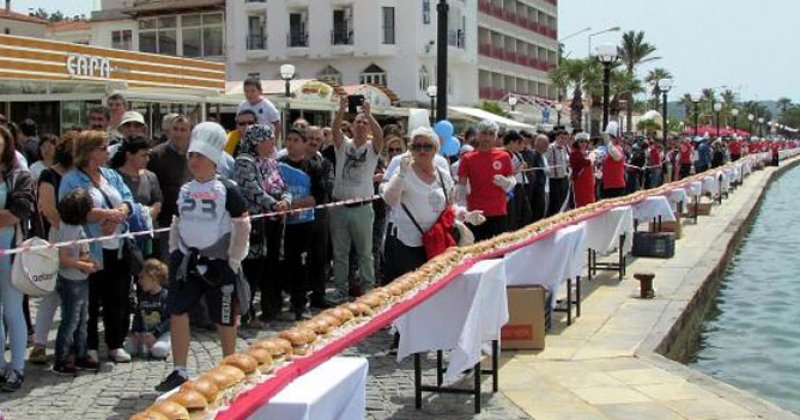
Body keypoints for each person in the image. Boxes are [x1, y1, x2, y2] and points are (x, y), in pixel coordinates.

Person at [156, 122, 250, 392]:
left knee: (224, 316)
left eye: (200, 156)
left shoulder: (227, 189)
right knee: (177, 311)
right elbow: (176, 221)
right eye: (192, 156)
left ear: (213, 159)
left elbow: (242, 226)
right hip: (186, 261)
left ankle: (229, 365)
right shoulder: (185, 190)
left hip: (219, 262)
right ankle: (180, 370)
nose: (194, 161)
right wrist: (176, 252)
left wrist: (233, 260)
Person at [59, 130, 135, 364]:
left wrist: (117, 217)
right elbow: (72, 209)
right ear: (89, 151)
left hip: (118, 245)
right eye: (102, 147)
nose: (107, 151)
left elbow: (128, 200)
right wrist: (103, 214)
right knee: (90, 301)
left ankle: (115, 343)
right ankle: (88, 345)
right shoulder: (71, 179)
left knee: (118, 297)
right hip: (90, 248)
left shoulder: (111, 175)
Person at [382, 127, 484, 280]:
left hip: (435, 243)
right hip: (405, 243)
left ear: (436, 149)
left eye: (427, 146)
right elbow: (389, 199)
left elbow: (450, 208)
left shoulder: (443, 175)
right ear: (411, 149)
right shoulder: (403, 171)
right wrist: (401, 174)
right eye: (417, 146)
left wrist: (467, 215)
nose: (422, 150)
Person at [327, 97, 384, 304]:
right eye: (358, 121)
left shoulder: (372, 148)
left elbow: (380, 136)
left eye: (364, 123)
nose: (361, 125)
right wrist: (341, 110)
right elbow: (334, 131)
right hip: (340, 206)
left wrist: (369, 114)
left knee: (365, 253)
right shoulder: (344, 145)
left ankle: (368, 289)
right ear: (351, 126)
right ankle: (340, 289)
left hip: (362, 208)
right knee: (340, 253)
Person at [233, 124, 291, 325]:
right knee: (251, 268)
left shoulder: (270, 162)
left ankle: (269, 309)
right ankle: (246, 313)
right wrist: (273, 204)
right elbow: (250, 188)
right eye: (269, 139)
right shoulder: (244, 162)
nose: (273, 143)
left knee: (269, 268)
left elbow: (284, 186)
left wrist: (285, 201)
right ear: (258, 141)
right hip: (256, 224)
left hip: (273, 223)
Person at [28, 132, 76, 365]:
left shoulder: (80, 174)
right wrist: (67, 231)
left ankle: (71, 343)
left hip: (80, 239)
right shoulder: (49, 174)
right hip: (56, 237)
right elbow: (47, 208)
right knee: (52, 293)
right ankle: (39, 344)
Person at [0, 125, 36, 391]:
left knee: (13, 310)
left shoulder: (19, 175)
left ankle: (18, 368)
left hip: (10, 248)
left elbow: (18, 212)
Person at [278, 129, 326, 319]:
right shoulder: (278, 165)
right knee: (283, 264)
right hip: (282, 225)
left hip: (304, 223)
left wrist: (295, 204)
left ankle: (300, 304)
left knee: (301, 264)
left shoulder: (313, 167)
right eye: (288, 139)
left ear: (304, 143)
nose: (290, 143)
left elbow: (319, 196)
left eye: (295, 140)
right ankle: (280, 301)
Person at [50, 189, 99, 375]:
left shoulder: (75, 227)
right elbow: (63, 258)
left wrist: (89, 261)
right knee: (70, 320)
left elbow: (81, 251)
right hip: (70, 280)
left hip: (80, 278)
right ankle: (61, 359)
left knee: (83, 319)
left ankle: (81, 353)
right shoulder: (68, 229)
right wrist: (83, 265)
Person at [457, 120, 515, 242]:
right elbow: (461, 185)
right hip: (475, 213)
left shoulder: (503, 156)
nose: (487, 137)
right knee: (475, 250)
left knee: (498, 250)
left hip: (498, 211)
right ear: (478, 135)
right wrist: (462, 207)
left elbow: (512, 178)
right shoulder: (468, 158)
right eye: (484, 133)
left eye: (491, 134)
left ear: (495, 136)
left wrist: (508, 183)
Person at [148, 115, 192, 262]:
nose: (178, 133)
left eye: (183, 130)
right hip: (166, 221)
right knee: (168, 263)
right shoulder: (156, 154)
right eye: (175, 129)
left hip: (191, 218)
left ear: (190, 132)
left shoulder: (195, 154)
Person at [111, 135, 163, 257]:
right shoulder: (115, 177)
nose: (147, 159)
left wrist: (145, 217)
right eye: (143, 155)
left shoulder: (151, 177)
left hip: (148, 237)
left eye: (148, 155)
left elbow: (157, 202)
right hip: (124, 238)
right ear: (129, 155)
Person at [305, 126, 334, 306]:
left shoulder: (326, 163)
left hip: (320, 216)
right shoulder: (293, 161)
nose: (314, 141)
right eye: (311, 138)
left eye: (318, 138)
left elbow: (328, 187)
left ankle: (318, 294)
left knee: (320, 257)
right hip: (299, 218)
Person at [124, 259, 170, 360]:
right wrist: (135, 331)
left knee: (159, 351)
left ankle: (156, 346)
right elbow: (138, 315)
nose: (139, 281)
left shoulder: (165, 296)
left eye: (142, 278)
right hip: (144, 334)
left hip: (160, 334)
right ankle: (145, 346)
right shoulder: (142, 296)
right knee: (127, 348)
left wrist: (156, 334)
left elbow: (169, 320)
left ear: (153, 278)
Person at [503, 130, 532, 230]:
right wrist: (520, 168)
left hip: (520, 185)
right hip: (511, 187)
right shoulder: (505, 154)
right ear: (511, 142)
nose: (518, 145)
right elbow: (509, 172)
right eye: (517, 143)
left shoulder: (516, 154)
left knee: (524, 213)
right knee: (513, 215)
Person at [545, 130, 571, 216]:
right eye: (561, 138)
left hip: (563, 179)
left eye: (565, 139)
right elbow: (545, 162)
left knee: (563, 202)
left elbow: (567, 162)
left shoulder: (565, 149)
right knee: (554, 203)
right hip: (553, 180)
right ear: (556, 137)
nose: (563, 140)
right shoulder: (550, 148)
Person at [570, 133, 596, 208]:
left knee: (590, 202)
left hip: (589, 183)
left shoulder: (585, 153)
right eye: (581, 141)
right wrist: (592, 157)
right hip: (580, 183)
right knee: (582, 203)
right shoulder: (575, 153)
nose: (584, 144)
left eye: (585, 141)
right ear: (577, 143)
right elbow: (586, 163)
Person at [601, 122, 627, 198]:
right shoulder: (608, 150)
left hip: (615, 186)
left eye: (610, 138)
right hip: (608, 186)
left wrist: (609, 143)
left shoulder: (618, 149)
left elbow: (617, 157)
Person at [529, 134, 550, 222]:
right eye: (545, 144)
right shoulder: (534, 156)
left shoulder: (543, 157)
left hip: (544, 189)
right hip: (537, 190)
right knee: (537, 213)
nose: (547, 146)